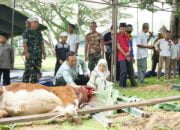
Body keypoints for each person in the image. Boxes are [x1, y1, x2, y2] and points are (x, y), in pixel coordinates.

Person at [22, 17, 46, 83]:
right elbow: (25, 43)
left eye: (37, 22)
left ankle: (33, 85)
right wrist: (26, 53)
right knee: (28, 70)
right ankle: (24, 85)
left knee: (37, 71)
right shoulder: (26, 32)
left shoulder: (39, 33)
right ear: (31, 23)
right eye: (35, 22)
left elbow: (42, 43)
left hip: (38, 55)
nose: (37, 24)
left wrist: (44, 53)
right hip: (30, 54)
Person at [117, 23, 130, 87]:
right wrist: (125, 55)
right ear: (119, 29)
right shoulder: (117, 35)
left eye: (124, 28)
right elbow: (118, 47)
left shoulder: (127, 35)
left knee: (127, 70)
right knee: (123, 70)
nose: (122, 30)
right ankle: (121, 85)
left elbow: (129, 45)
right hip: (121, 56)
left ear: (125, 29)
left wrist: (129, 53)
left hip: (128, 55)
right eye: (121, 28)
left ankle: (124, 84)